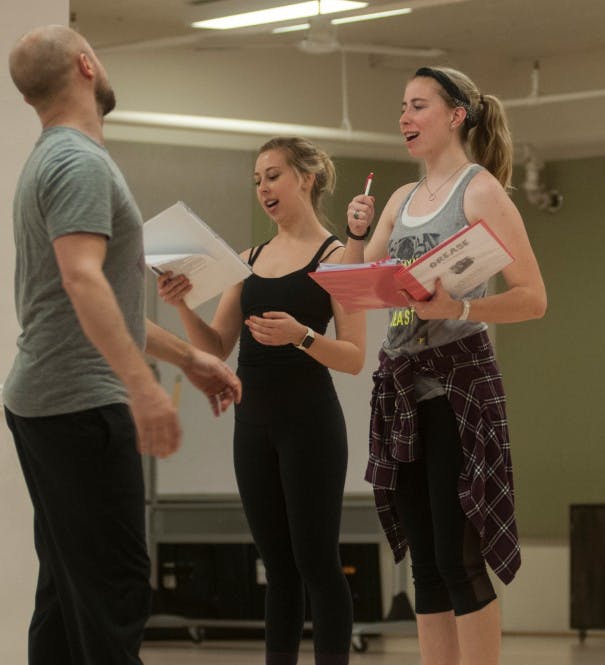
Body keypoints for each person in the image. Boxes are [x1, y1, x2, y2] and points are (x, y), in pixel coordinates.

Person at [5, 25, 243, 665]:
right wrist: (142, 389)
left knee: (66, 598)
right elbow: (82, 282)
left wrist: (189, 357)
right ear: (86, 66)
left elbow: (93, 298)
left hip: (46, 401)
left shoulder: (54, 159)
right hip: (80, 406)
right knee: (112, 596)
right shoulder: (78, 162)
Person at [342, 66, 546, 665]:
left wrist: (458, 302)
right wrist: (355, 236)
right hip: (403, 387)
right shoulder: (402, 199)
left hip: (459, 384)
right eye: (402, 107)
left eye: (418, 106)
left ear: (457, 114)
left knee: (459, 557)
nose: (405, 118)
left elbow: (533, 297)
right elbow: (358, 287)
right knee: (424, 564)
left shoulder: (480, 191)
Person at [156, 136, 365, 665]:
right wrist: (182, 306)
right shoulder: (246, 261)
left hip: (311, 425)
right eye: (256, 180)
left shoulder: (337, 257)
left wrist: (301, 336)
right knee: (278, 566)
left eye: (272, 175)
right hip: (253, 427)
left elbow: (355, 356)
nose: (263, 188)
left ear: (306, 179)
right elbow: (216, 346)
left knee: (317, 561)